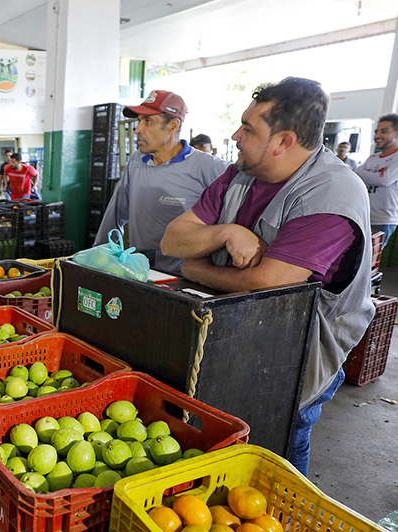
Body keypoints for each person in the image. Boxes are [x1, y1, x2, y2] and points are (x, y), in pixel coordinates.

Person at [160, 77, 375, 476]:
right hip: (236, 343)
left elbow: (270, 281)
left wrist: (197, 269)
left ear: (283, 140)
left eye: (248, 127)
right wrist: (226, 232)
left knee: (278, 452)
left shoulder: (331, 193)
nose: (235, 135)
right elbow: (173, 241)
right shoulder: (239, 175)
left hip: (299, 358)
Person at [94, 91, 228, 275]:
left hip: (186, 279)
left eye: (147, 121)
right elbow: (116, 215)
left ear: (173, 126)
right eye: (139, 121)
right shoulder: (137, 162)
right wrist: (98, 259)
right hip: (141, 273)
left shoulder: (210, 167)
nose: (137, 129)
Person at [355, 114, 398, 245]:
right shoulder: (373, 158)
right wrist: (376, 175)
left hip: (383, 220)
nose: (377, 135)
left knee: (370, 261)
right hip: (363, 216)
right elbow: (356, 175)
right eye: (376, 131)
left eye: (384, 131)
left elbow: (384, 180)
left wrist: (366, 174)